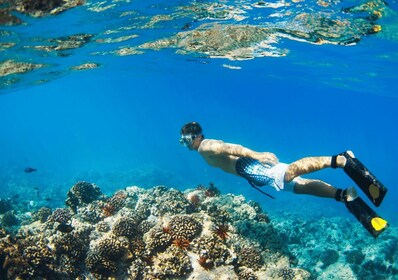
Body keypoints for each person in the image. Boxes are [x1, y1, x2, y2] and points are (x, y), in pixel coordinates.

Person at [179, 121, 388, 237]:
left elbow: (229, 148)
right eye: (182, 141)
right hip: (250, 172)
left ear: (198, 136)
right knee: (299, 186)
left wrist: (257, 155)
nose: (186, 143)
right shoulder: (203, 148)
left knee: (289, 173)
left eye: (187, 139)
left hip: (250, 167)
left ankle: (340, 160)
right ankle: (343, 195)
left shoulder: (205, 146)